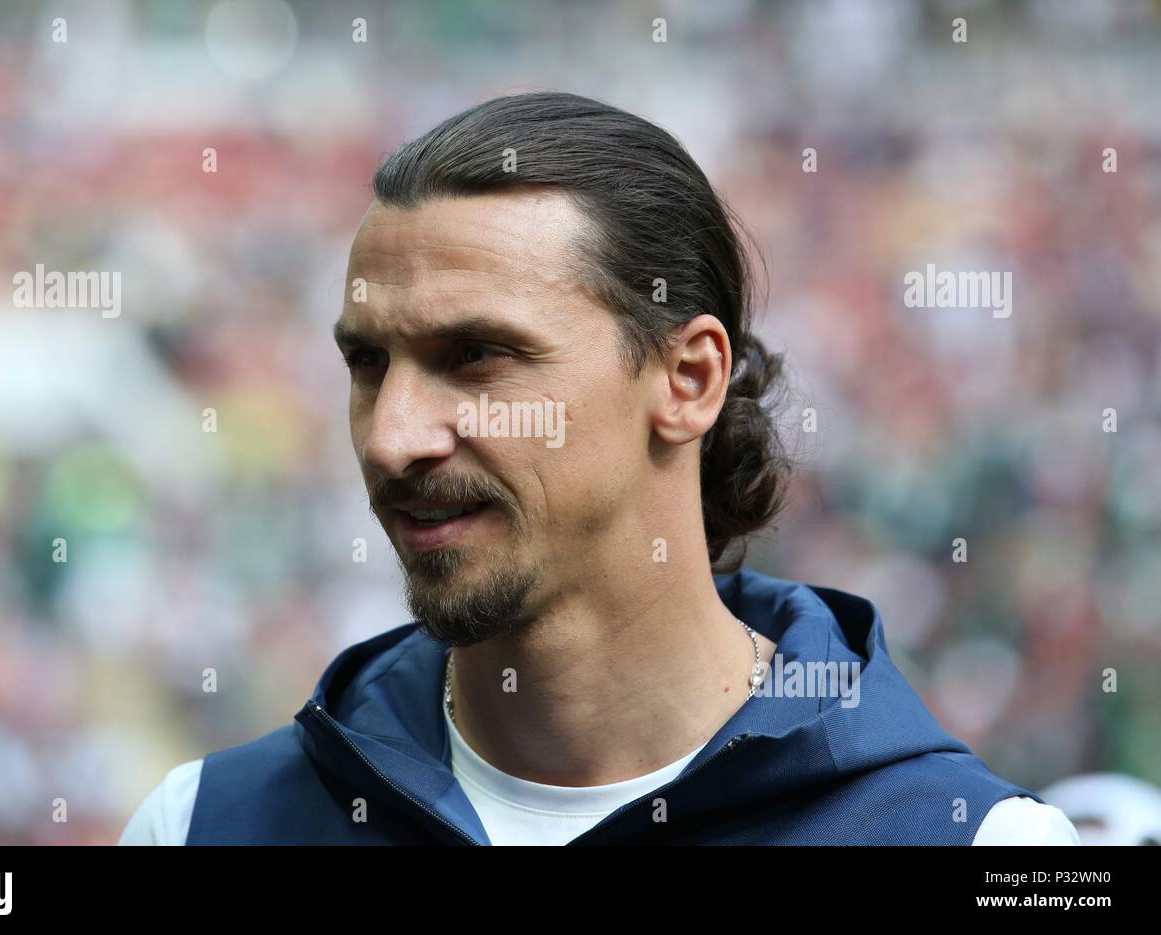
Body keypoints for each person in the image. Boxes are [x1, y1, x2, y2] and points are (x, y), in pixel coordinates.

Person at [120, 91, 1077, 845]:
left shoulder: (978, 845)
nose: (391, 436)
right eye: (369, 364)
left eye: (477, 357)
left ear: (687, 379)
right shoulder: (204, 824)